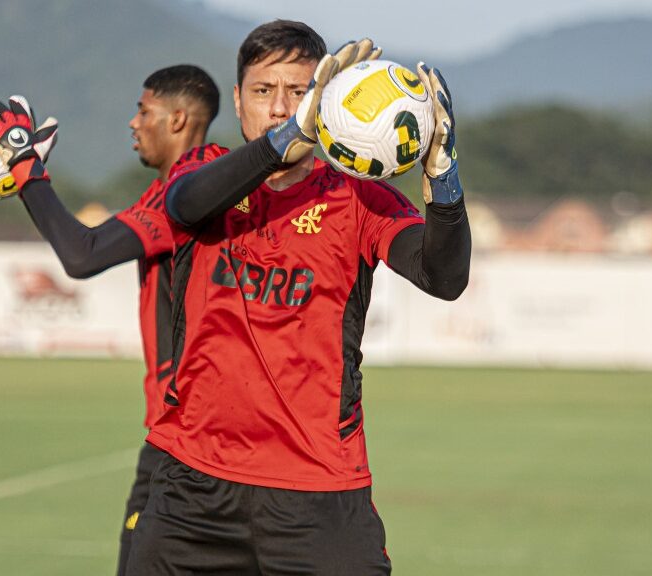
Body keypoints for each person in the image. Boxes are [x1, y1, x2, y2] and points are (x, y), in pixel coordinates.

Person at [125, 20, 471, 575]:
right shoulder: (201, 178)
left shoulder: (362, 199)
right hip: (192, 489)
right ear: (238, 101)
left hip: (319, 493)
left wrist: (443, 178)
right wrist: (285, 141)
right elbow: (184, 206)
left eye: (300, 93)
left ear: (326, 103)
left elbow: (444, 277)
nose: (281, 108)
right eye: (264, 91)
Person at [0, 64, 222, 576]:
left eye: (142, 110)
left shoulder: (187, 188)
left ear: (176, 119)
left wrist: (26, 168)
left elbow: (82, 255)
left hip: (187, 443)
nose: (133, 122)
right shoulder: (205, 179)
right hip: (194, 435)